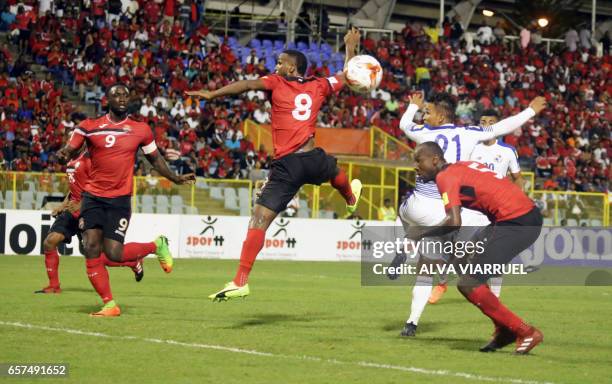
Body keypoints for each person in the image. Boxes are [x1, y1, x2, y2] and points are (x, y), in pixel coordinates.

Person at [186, 28, 363, 301]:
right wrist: (351, 48)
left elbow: (245, 85)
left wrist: (212, 95)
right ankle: (350, 198)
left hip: (288, 164)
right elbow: (348, 76)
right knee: (333, 170)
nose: (276, 66)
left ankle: (240, 280)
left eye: (280, 62)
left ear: (291, 67)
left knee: (259, 219)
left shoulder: (277, 82)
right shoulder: (319, 85)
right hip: (312, 157)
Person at [394, 92, 546, 337]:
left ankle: (412, 321)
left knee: (431, 260)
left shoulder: (425, 136)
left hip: (441, 206)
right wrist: (530, 111)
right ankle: (497, 316)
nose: (425, 114)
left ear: (441, 114)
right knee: (474, 267)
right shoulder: (469, 133)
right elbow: (500, 128)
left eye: (428, 111)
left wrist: (412, 106)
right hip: (465, 211)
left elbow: (403, 125)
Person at [57, 83, 195, 317]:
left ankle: (156, 245)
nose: (121, 97)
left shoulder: (141, 129)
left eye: (125, 94)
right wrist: (64, 153)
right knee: (90, 247)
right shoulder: (89, 127)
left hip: (119, 199)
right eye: (116, 94)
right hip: (92, 196)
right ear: (106, 99)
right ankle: (109, 304)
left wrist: (175, 178)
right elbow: (71, 149)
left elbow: (156, 159)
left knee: (113, 253)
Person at [409, 142, 543, 354]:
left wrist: (422, 233)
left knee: (468, 283)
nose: (415, 166)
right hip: (519, 217)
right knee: (462, 265)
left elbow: (454, 221)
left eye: (419, 160)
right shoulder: (461, 167)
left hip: (516, 222)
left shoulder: (445, 177)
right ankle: (504, 330)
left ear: (435, 159)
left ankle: (524, 331)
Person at [37, 149, 171, 293]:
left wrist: (82, 204)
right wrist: (63, 205)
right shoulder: (72, 160)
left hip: (90, 209)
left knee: (103, 256)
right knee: (50, 241)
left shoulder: (92, 159)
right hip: (72, 210)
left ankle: (135, 260)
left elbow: (99, 186)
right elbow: (75, 187)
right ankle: (54, 286)